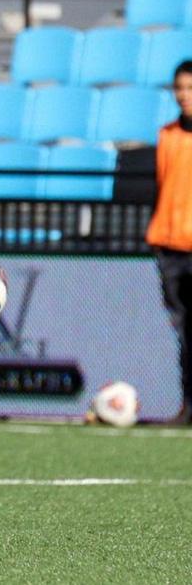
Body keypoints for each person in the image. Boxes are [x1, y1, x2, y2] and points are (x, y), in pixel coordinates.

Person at [147, 59, 192, 425]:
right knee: (183, 332)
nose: (184, 96)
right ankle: (187, 405)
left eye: (191, 88)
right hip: (171, 247)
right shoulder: (168, 135)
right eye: (180, 88)